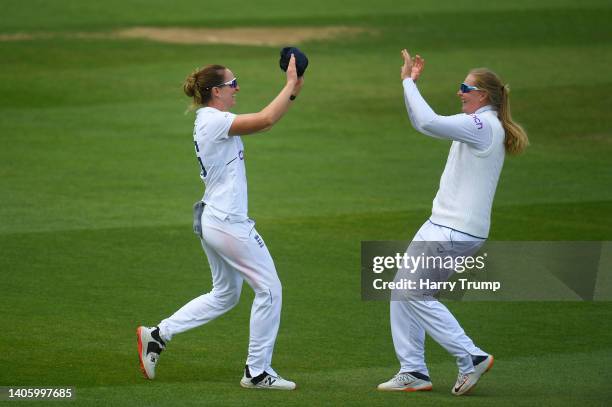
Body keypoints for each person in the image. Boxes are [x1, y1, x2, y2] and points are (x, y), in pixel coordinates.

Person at [137, 54, 304, 390]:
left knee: (226, 294)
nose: (237, 88)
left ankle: (157, 335)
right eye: (232, 83)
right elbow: (266, 120)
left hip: (214, 218)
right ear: (215, 91)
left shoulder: (212, 118)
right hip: (227, 222)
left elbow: (266, 118)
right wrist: (289, 85)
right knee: (270, 290)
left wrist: (294, 87)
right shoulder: (212, 121)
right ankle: (257, 372)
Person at [377, 49, 528, 396]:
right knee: (403, 290)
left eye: (465, 87)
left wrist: (407, 82)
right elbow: (422, 123)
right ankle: (413, 371)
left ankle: (470, 355)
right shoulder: (482, 125)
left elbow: (429, 122)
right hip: (444, 223)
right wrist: (410, 86)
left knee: (414, 291)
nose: (459, 92)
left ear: (483, 96)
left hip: (454, 229)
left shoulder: (482, 126)